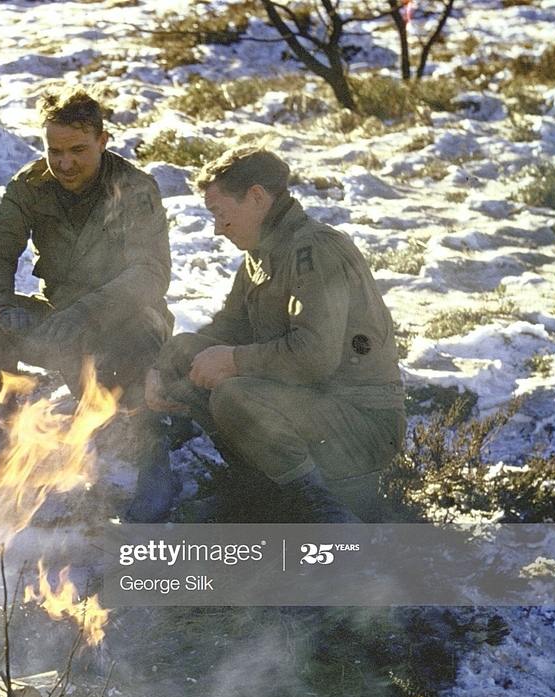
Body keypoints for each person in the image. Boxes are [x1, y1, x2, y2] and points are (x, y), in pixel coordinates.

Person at [143, 146, 406, 523]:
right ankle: (266, 491)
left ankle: (323, 512)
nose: (217, 227)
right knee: (192, 359)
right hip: (316, 411)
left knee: (234, 394)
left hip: (362, 423)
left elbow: (315, 356)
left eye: (221, 213)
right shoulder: (261, 256)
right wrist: (166, 363)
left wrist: (234, 361)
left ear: (256, 198)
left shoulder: (314, 250)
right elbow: (227, 330)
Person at [0, 86, 175, 519]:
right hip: (61, 319)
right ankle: (1, 444)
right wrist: (3, 310)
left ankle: (156, 465)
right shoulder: (31, 185)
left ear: (103, 140)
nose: (64, 163)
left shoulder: (134, 188)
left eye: (78, 150)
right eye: (54, 151)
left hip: (127, 318)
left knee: (135, 396)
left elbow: (149, 274)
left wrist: (85, 312)